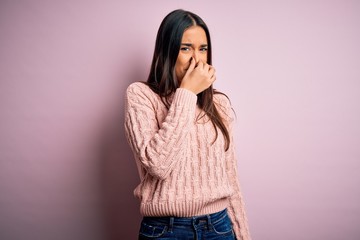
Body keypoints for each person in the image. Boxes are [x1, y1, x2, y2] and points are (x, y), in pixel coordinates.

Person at [124, 9, 251, 240]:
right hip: (165, 230)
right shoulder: (140, 95)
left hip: (219, 227)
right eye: (185, 48)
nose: (197, 59)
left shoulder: (218, 103)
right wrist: (187, 92)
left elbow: (230, 178)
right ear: (168, 52)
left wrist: (243, 235)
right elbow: (158, 164)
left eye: (203, 49)